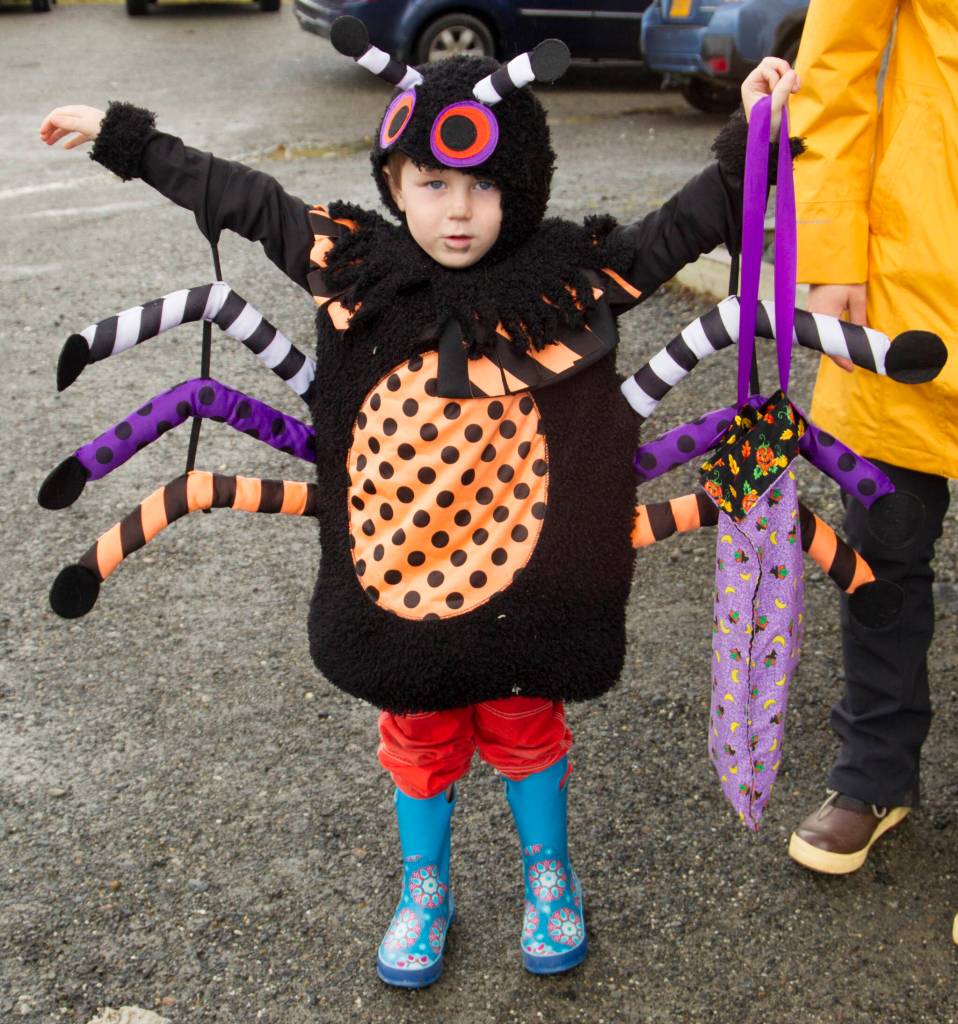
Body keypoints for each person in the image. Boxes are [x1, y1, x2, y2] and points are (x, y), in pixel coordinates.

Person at [39, 29, 798, 986]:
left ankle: (548, 871)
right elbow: (243, 197)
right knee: (419, 730)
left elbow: (689, 224)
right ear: (394, 182)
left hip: (532, 585)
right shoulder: (352, 266)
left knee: (528, 719)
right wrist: (126, 138)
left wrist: (759, 127)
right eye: (432, 183)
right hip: (396, 582)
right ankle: (424, 885)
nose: (459, 210)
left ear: (521, 187)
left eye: (484, 186)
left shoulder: (569, 278)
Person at [788, 0, 956, 883]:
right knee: (883, 550)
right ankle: (875, 775)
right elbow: (837, 65)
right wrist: (832, 250)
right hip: (909, 279)